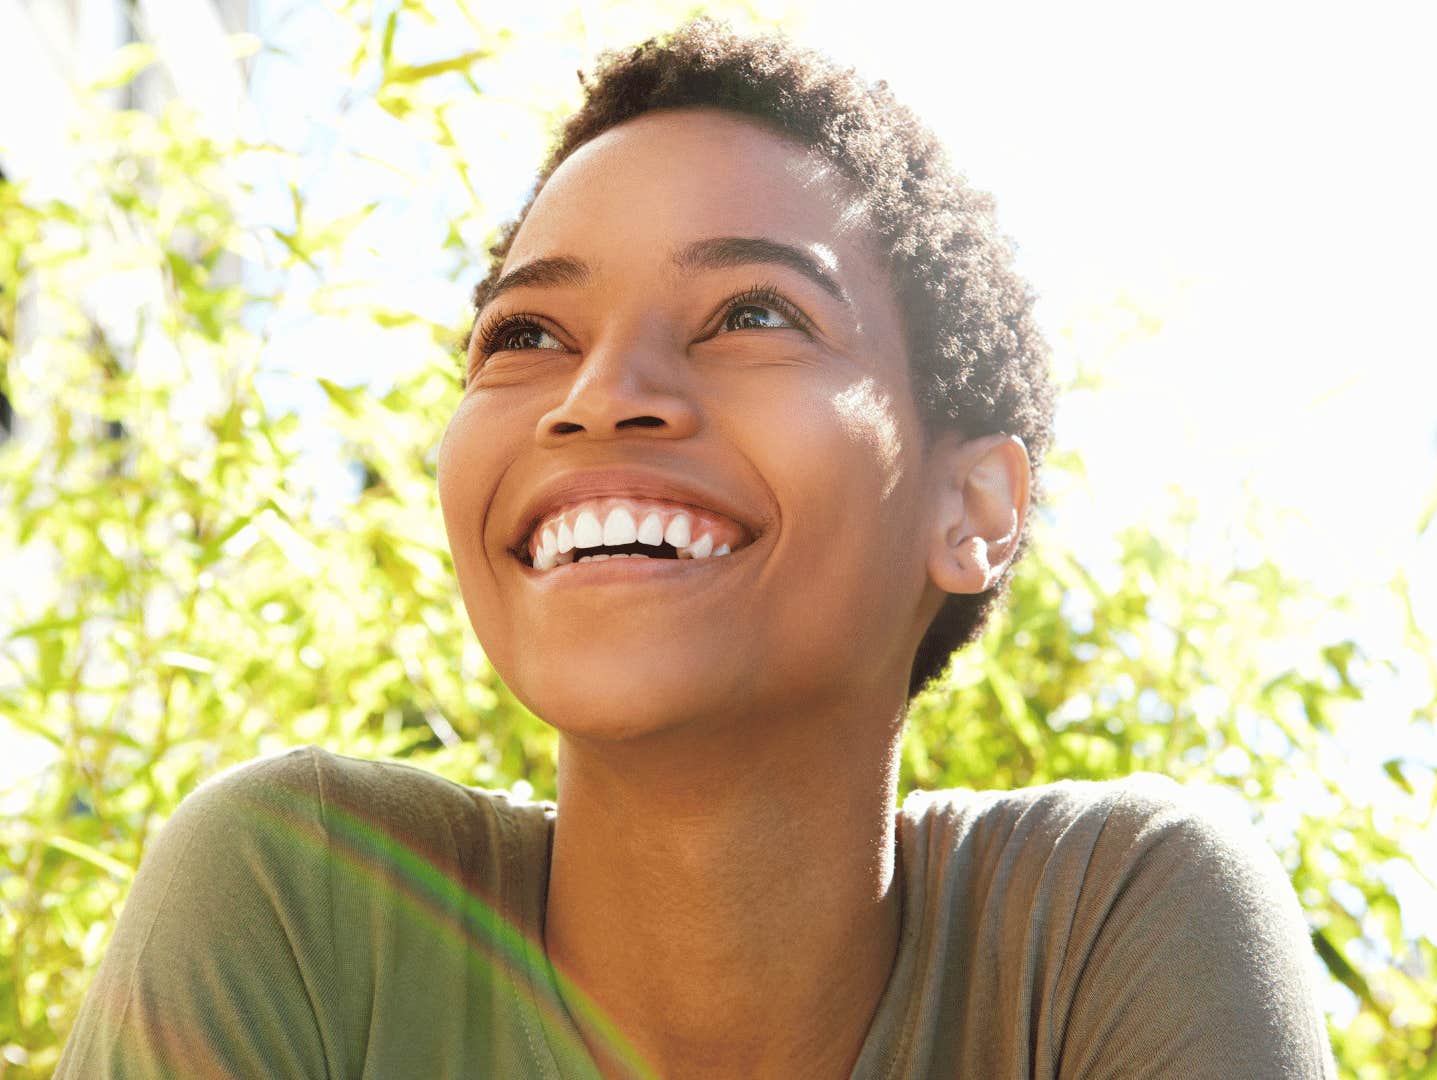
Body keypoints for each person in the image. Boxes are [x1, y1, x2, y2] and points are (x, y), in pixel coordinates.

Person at [56, 17, 1334, 1079]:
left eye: (752, 313)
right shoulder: (303, 899)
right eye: (526, 335)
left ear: (975, 510)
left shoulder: (1107, 928)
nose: (599, 392)